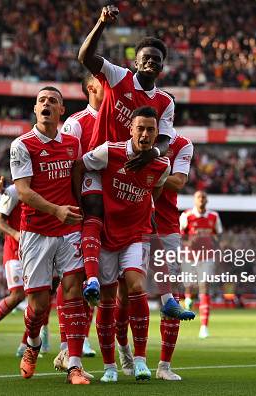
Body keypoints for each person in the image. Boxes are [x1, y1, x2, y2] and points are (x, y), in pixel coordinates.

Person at [77, 6, 192, 323]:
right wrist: (100, 24)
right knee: (93, 212)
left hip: (133, 175)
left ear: (162, 67)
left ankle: (167, 297)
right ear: (136, 61)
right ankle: (90, 280)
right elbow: (85, 58)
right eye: (147, 57)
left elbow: (166, 140)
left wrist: (154, 154)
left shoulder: (165, 101)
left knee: (148, 223)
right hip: (103, 162)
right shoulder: (118, 76)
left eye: (157, 58)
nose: (152, 62)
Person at [72, 106, 170, 382]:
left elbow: (157, 188)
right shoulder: (110, 151)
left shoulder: (162, 164)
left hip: (136, 234)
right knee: (106, 301)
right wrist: (80, 204)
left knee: (136, 286)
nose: (145, 133)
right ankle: (109, 367)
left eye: (151, 129)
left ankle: (139, 360)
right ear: (131, 129)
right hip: (106, 234)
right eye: (140, 128)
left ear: (156, 133)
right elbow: (80, 165)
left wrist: (144, 208)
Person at [10, 86, 89, 385]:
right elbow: (23, 191)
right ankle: (32, 345)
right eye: (41, 100)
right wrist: (56, 209)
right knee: (39, 306)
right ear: (35, 109)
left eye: (52, 101)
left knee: (73, 292)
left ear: (61, 111)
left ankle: (74, 365)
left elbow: (79, 181)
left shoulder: (72, 144)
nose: (46, 104)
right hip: (36, 232)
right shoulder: (22, 144)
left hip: (69, 229)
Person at [53, 72, 104, 368]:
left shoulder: (116, 118)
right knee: (75, 275)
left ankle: (79, 338)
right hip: (82, 205)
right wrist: (74, 201)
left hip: (107, 204)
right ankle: (65, 343)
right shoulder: (76, 122)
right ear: (91, 87)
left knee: (95, 275)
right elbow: (70, 164)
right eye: (104, 83)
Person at [0, 177, 51, 357]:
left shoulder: (47, 187)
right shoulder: (13, 191)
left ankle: (25, 344)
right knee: (17, 295)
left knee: (43, 298)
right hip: (15, 250)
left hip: (39, 250)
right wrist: (15, 233)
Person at [151, 128, 194, 380]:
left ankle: (164, 366)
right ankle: (128, 360)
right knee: (125, 294)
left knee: (172, 298)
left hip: (166, 226)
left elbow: (178, 181)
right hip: (129, 222)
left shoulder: (182, 144)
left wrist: (149, 168)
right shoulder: (134, 131)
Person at [180, 191, 223, 339]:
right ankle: (188, 298)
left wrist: (217, 246)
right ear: (194, 200)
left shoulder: (214, 217)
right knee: (189, 285)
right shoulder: (186, 216)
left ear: (207, 200)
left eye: (204, 197)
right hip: (190, 256)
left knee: (204, 286)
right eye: (199, 197)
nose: (201, 200)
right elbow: (180, 236)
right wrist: (187, 242)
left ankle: (204, 326)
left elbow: (219, 235)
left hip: (207, 256)